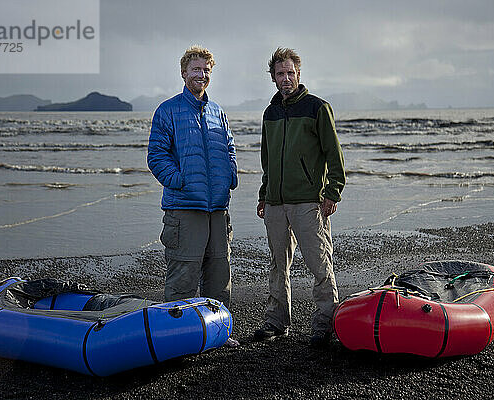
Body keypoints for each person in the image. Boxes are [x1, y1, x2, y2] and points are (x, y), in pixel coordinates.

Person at [254, 47, 346, 348]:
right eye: (280, 73)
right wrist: (264, 195)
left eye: (290, 72)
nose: (286, 78)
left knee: (319, 264)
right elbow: (267, 160)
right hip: (276, 204)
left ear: (298, 74)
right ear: (273, 77)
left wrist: (332, 192)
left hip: (308, 201)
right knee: (277, 264)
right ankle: (277, 321)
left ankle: (325, 322)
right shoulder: (270, 113)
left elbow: (334, 153)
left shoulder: (317, 108)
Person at [147, 46, 239, 346]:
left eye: (206, 70)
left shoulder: (217, 112)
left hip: (218, 210)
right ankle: (174, 338)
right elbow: (157, 156)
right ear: (184, 72)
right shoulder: (167, 111)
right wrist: (180, 181)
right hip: (185, 209)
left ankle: (218, 333)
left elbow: (230, 148)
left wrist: (230, 177)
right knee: (183, 277)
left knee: (219, 275)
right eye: (196, 69)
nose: (202, 75)